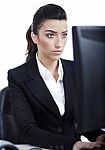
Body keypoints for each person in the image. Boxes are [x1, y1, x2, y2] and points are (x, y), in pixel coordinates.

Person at [8, 3, 104, 150]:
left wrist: (98, 136)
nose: (59, 43)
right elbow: (27, 130)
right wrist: (73, 144)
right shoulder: (18, 76)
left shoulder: (76, 69)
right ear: (35, 37)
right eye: (50, 35)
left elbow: (82, 120)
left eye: (64, 35)